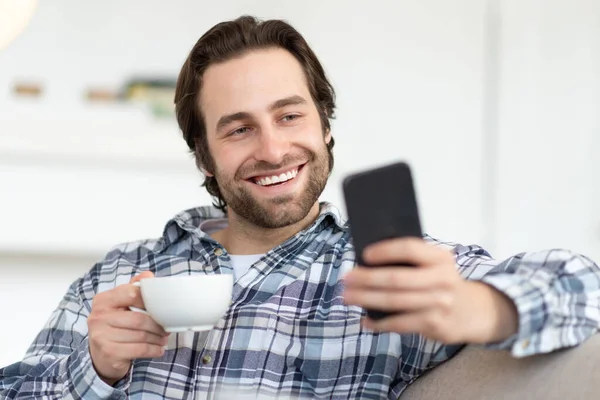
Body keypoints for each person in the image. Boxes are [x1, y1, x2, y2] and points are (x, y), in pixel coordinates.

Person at [1, 15, 599, 400]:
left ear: (325, 128)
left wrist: (480, 307)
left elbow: (585, 288)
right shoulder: (118, 278)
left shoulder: (390, 273)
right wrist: (95, 368)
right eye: (238, 129)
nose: (272, 148)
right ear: (204, 157)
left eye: (290, 116)